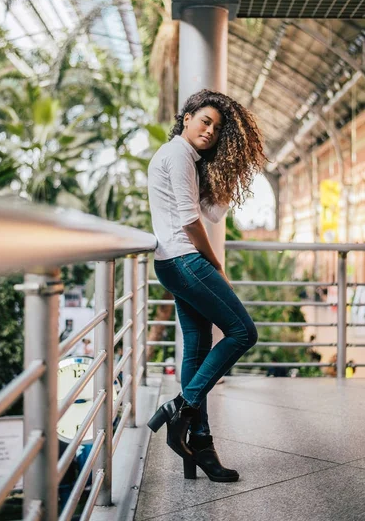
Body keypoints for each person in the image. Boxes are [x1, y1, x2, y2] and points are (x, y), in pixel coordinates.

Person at [147, 89, 266, 482]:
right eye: (205, 121)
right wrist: (215, 263)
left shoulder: (188, 160)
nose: (210, 131)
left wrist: (233, 170)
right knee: (243, 332)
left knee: (196, 350)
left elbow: (210, 212)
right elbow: (188, 220)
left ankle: (198, 445)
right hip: (185, 260)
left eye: (217, 128)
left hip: (173, 263)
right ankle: (182, 407)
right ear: (187, 118)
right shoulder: (177, 154)